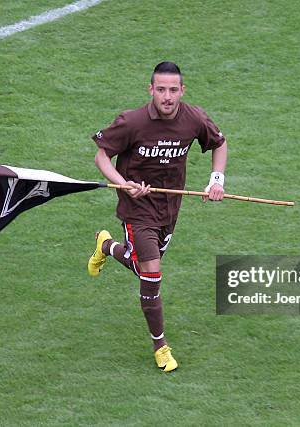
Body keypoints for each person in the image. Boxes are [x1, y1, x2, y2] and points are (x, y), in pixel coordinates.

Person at [88, 61, 227, 372]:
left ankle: (107, 246)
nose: (167, 96)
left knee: (143, 267)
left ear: (182, 91)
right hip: (136, 210)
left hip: (169, 209)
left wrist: (216, 180)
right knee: (152, 273)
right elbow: (102, 156)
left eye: (173, 90)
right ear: (150, 89)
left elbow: (219, 144)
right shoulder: (132, 122)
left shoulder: (194, 118)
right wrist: (123, 184)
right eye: (161, 89)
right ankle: (160, 346)